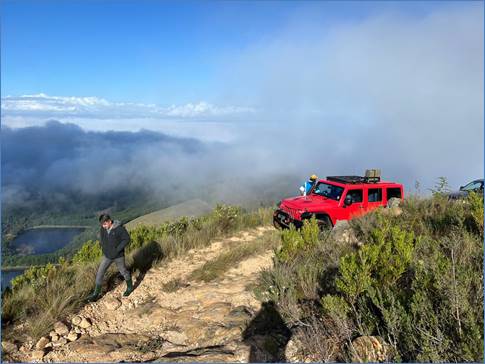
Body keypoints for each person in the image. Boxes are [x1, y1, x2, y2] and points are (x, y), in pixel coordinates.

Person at [87, 214, 133, 302]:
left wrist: (117, 249)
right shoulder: (103, 229)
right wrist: (104, 248)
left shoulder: (119, 229)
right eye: (102, 225)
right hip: (107, 256)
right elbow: (102, 238)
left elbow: (127, 239)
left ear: (109, 221)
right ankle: (95, 294)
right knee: (100, 272)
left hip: (118, 256)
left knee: (123, 271)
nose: (103, 227)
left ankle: (130, 287)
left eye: (105, 224)